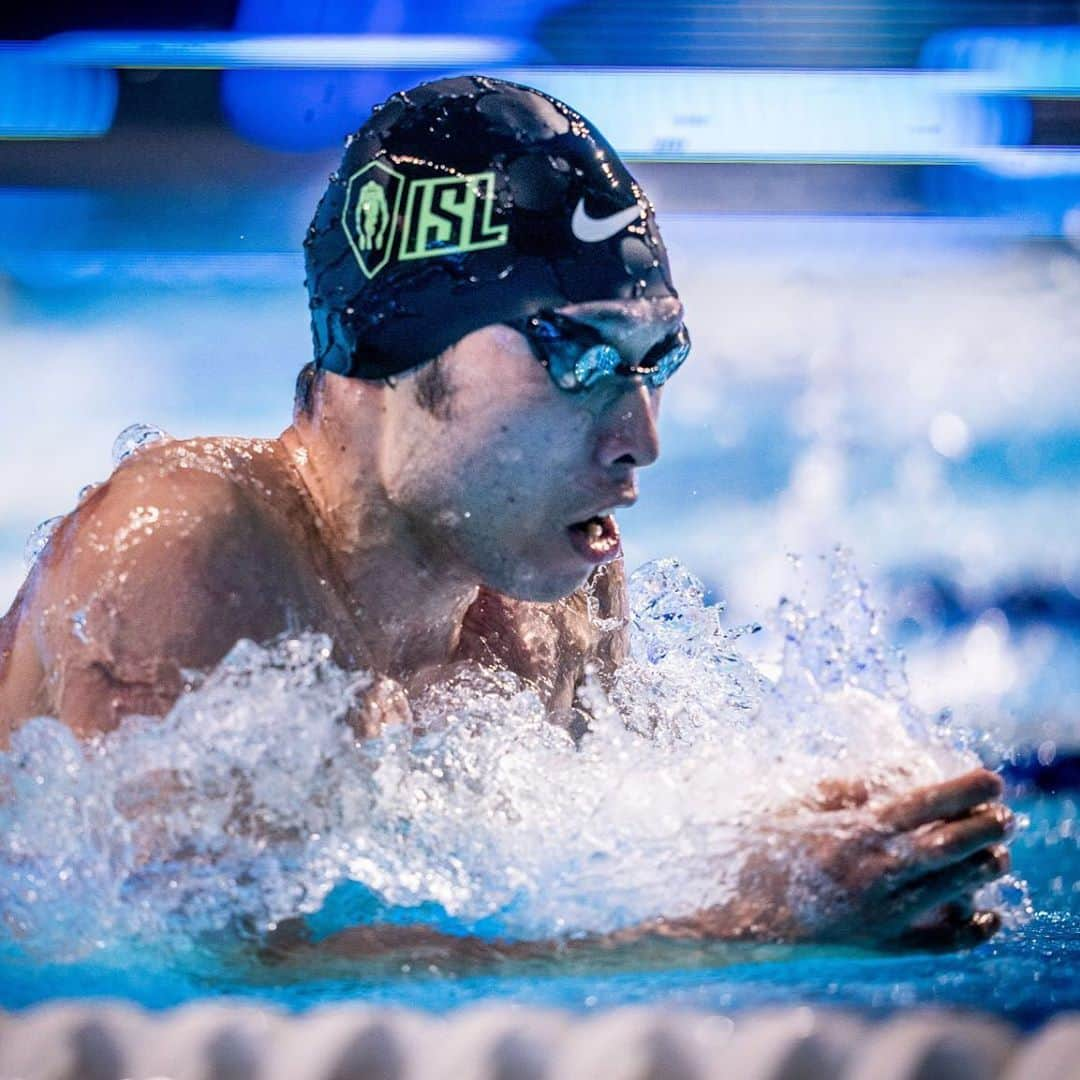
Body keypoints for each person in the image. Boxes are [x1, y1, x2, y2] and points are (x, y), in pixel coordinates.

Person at [0, 76, 1011, 951]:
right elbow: (193, 971)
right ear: (401, 347)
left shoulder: (550, 589)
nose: (641, 438)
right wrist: (743, 926)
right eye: (578, 357)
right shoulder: (192, 551)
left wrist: (818, 857)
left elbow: (599, 865)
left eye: (655, 360)